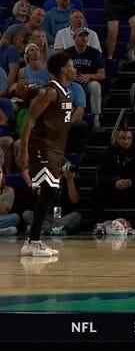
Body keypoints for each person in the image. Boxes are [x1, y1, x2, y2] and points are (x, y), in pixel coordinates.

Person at [17, 52, 77, 257]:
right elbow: (29, 119)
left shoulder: (66, 92)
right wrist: (23, 151)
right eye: (72, 66)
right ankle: (33, 240)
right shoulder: (50, 92)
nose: (75, 69)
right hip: (42, 147)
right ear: (63, 69)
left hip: (55, 149)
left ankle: (32, 240)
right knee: (49, 191)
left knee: (49, 192)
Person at [93, 126, 135, 235]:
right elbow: (101, 174)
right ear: (116, 139)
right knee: (97, 187)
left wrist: (131, 181)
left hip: (131, 188)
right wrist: (114, 182)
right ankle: (98, 223)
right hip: (112, 187)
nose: (126, 141)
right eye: (123, 138)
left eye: (129, 139)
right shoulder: (108, 153)